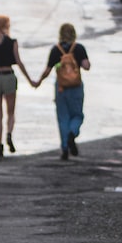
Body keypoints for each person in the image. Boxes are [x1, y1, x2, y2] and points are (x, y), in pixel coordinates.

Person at [34, 23, 91, 160]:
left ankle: (65, 148)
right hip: (76, 87)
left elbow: (47, 71)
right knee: (77, 115)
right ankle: (73, 132)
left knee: (62, 117)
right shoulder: (78, 48)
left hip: (61, 88)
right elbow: (86, 66)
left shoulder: (56, 50)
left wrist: (38, 82)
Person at [0, 15, 35, 158]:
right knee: (10, 112)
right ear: (6, 25)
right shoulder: (12, 42)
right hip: (9, 76)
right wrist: (30, 80)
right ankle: (9, 134)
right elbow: (19, 62)